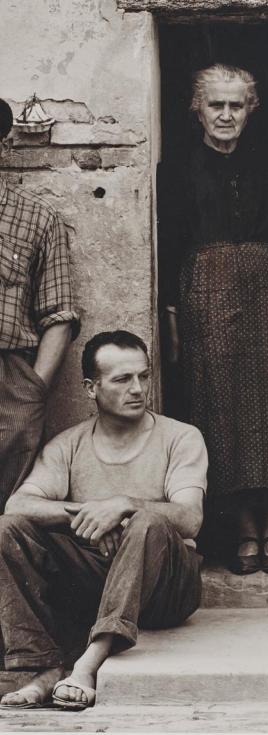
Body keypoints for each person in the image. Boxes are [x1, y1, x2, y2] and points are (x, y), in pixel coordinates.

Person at [0, 330, 207, 710]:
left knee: (148, 521)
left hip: (167, 588)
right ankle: (42, 666)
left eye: (143, 376)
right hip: (98, 581)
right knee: (5, 531)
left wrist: (126, 505)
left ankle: (88, 662)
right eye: (122, 379)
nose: (138, 389)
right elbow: (17, 506)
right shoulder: (69, 444)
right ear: (90, 388)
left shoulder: (181, 437)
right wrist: (93, 514)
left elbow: (190, 518)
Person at [159, 63, 268, 575]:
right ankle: (245, 528)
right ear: (196, 109)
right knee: (219, 404)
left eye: (236, 105)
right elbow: (170, 246)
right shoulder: (177, 168)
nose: (226, 115)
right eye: (216, 105)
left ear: (251, 109)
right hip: (205, 288)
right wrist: (175, 319)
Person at [0, 97, 79, 512]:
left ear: (4, 145)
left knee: (9, 507)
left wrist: (33, 390)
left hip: (11, 375)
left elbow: (60, 313)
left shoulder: (37, 218)